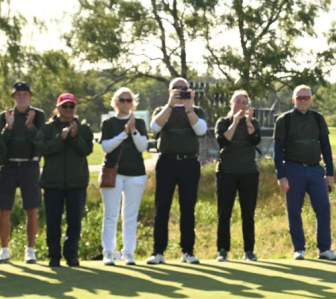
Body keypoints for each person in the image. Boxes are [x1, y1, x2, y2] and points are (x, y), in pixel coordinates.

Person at [273, 84, 336, 261]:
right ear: (293, 100)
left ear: (311, 100)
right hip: (293, 168)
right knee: (294, 210)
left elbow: (326, 146)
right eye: (300, 98)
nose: (303, 101)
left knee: (323, 207)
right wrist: (281, 175)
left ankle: (324, 249)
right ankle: (299, 249)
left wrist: (330, 173)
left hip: (315, 169)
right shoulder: (284, 120)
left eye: (306, 98)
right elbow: (277, 151)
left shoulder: (318, 118)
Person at [147, 77, 208, 265]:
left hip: (189, 163)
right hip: (167, 162)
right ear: (169, 91)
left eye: (183, 89)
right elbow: (154, 127)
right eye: (176, 89)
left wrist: (188, 108)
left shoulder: (196, 111)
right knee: (162, 208)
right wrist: (170, 105)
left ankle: (188, 251)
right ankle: (158, 251)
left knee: (188, 208)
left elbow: (201, 130)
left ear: (189, 91)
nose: (180, 91)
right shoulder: (162, 110)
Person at [34, 93, 93, 267]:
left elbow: (86, 150)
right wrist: (61, 138)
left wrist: (75, 137)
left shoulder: (83, 129)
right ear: (57, 108)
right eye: (64, 106)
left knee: (74, 222)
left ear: (75, 109)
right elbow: (42, 148)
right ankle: (54, 256)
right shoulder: (47, 129)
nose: (68, 110)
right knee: (53, 222)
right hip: (53, 183)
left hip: (77, 183)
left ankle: (71, 255)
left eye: (71, 106)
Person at [99, 87, 148, 266]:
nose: (125, 103)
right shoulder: (109, 123)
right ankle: (109, 252)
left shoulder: (140, 122)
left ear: (132, 103)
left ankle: (128, 252)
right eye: (122, 100)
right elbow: (106, 147)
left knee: (130, 215)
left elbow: (142, 146)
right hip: (113, 173)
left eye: (128, 100)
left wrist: (133, 131)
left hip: (136, 174)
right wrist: (124, 133)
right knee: (111, 214)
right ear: (115, 102)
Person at [0, 81, 45, 265]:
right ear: (13, 97)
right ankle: (4, 249)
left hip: (30, 165)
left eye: (25, 94)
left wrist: (29, 127)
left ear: (30, 96)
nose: (21, 97)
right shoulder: (4, 116)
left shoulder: (38, 115)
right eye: (18, 94)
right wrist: (8, 128)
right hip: (8, 166)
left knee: (31, 209)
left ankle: (30, 250)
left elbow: (40, 142)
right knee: (4, 209)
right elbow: (1, 145)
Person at [215, 90, 262, 262]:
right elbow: (222, 141)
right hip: (227, 172)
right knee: (224, 213)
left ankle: (249, 251)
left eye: (244, 103)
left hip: (249, 172)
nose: (241, 106)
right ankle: (222, 250)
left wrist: (248, 123)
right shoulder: (223, 121)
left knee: (248, 213)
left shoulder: (253, 122)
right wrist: (234, 122)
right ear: (231, 104)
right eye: (238, 102)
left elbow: (255, 140)